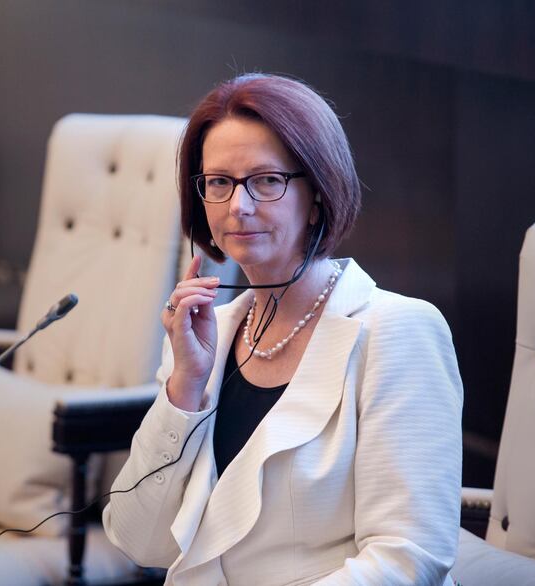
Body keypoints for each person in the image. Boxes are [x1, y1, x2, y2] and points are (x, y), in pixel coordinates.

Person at [103, 73, 463, 585]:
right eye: (220, 182)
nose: (238, 207)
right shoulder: (210, 335)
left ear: (317, 192)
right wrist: (184, 385)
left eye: (267, 181)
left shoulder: (398, 330)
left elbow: (408, 558)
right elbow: (141, 541)